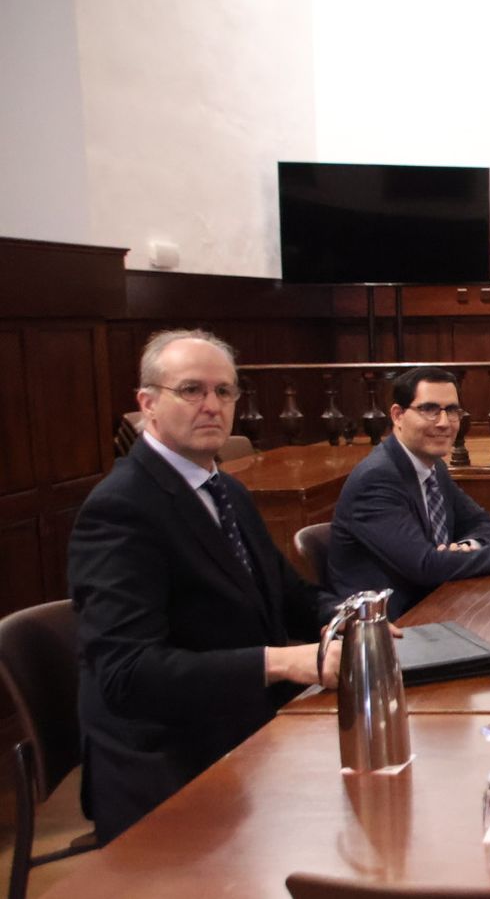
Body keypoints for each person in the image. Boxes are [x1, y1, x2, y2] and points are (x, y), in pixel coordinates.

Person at [69, 330, 341, 841]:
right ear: (147, 403)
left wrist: (353, 619)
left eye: (224, 391)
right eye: (191, 390)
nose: (212, 405)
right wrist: (283, 661)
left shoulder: (226, 489)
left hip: (247, 728)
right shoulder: (120, 508)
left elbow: (289, 595)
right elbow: (128, 673)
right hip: (170, 761)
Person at [328, 366, 490, 617]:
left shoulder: (433, 467)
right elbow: (425, 566)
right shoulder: (376, 479)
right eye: (429, 410)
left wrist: (465, 547)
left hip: (438, 604)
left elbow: (483, 523)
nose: (444, 423)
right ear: (398, 415)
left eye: (452, 411)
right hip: (389, 624)